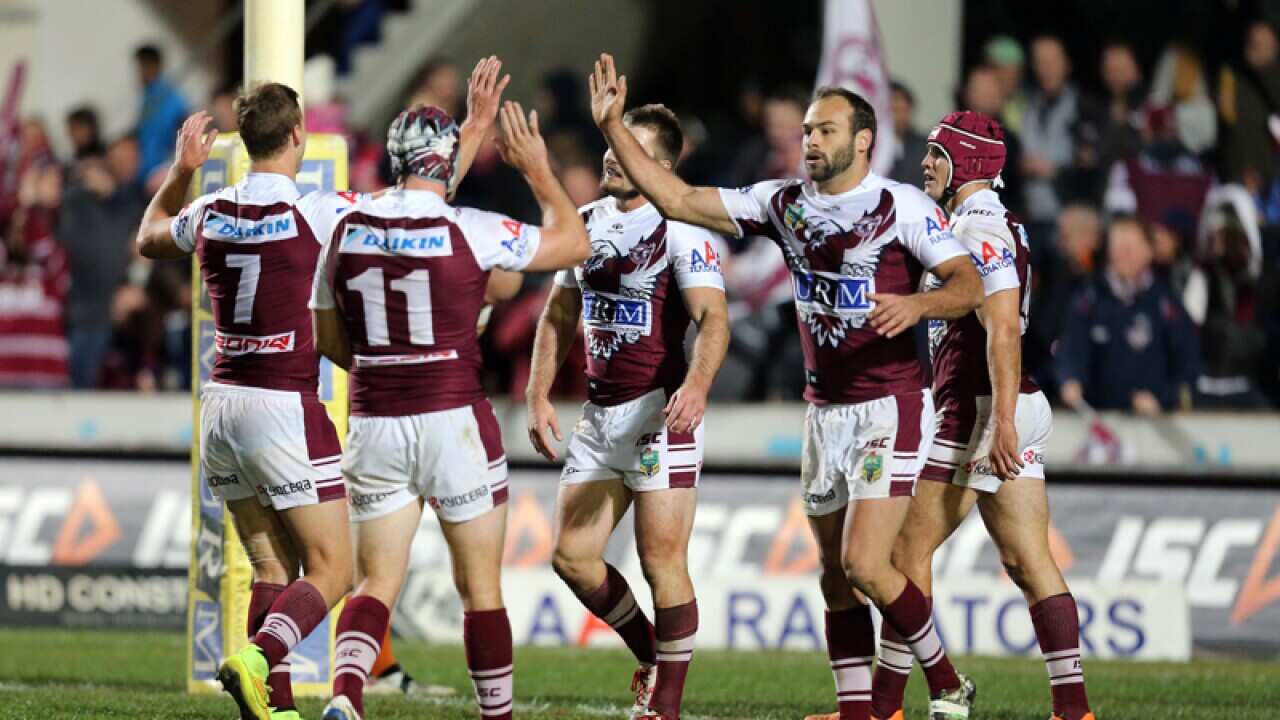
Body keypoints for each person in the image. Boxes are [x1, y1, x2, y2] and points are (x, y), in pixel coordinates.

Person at [587, 54, 984, 720]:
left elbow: (968, 286)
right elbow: (679, 198)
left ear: (862, 140)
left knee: (865, 563)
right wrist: (612, 130)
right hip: (822, 412)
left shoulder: (901, 205)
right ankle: (856, 710)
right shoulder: (782, 202)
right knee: (834, 575)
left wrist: (916, 307)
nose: (811, 141)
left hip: (890, 406)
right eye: (806, 130)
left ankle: (946, 681)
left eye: (825, 130)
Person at [311, 99, 589, 720]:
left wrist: (382, 364)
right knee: (480, 589)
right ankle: (496, 716)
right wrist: (539, 170)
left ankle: (345, 698)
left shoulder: (346, 224)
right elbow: (575, 242)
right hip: (452, 418)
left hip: (375, 418)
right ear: (450, 160)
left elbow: (327, 338)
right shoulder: (473, 227)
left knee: (374, 583)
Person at [135, 87, 357, 720]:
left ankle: (275, 710)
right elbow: (414, 211)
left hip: (222, 403)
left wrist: (181, 171)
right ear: (296, 138)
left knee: (270, 566)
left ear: (242, 142)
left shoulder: (208, 208)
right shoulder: (317, 210)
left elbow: (149, 237)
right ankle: (257, 658)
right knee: (334, 568)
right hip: (282, 404)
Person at [869, 110, 1096, 720]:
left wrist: (1000, 422)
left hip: (982, 408)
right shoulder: (997, 223)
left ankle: (889, 705)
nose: (925, 164)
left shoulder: (978, 228)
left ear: (965, 162)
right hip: (1009, 402)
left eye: (936, 155)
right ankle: (1074, 709)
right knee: (1028, 559)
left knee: (900, 555)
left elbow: (1000, 329)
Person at [526, 103, 730, 720]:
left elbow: (713, 319)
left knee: (661, 560)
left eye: (629, 147)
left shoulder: (683, 228)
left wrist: (695, 386)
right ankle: (648, 654)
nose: (611, 155)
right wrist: (537, 393)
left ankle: (663, 706)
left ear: (660, 165)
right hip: (599, 416)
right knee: (572, 558)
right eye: (610, 145)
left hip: (657, 415)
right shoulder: (584, 223)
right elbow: (559, 315)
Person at [1057, 216, 1200, 414]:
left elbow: (1188, 366)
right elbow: (1071, 347)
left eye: (1129, 249)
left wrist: (1164, 399)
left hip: (1153, 423)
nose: (1122, 256)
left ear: (1149, 251)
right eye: (1116, 248)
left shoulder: (1166, 304)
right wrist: (1070, 378)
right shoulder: (1090, 299)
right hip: (1098, 420)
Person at [133, 44, 191, 182]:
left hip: (163, 172)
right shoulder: (147, 97)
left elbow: (183, 131)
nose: (139, 73)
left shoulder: (172, 98)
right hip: (145, 172)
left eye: (143, 66)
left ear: (154, 66)